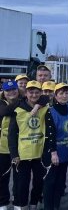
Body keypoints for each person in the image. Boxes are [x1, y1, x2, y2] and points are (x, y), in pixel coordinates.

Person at [8, 80, 57, 210]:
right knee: (22, 184)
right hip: (22, 154)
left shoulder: (45, 108)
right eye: (31, 92)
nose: (34, 95)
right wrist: (14, 154)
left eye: (37, 92)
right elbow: (12, 135)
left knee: (38, 182)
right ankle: (22, 206)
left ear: (40, 93)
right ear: (26, 93)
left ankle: (34, 204)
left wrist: (51, 150)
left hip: (39, 153)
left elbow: (51, 130)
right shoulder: (17, 110)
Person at [43, 83, 68, 210]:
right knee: (50, 182)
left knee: (60, 182)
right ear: (55, 96)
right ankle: (48, 207)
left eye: (66, 93)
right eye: (61, 93)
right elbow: (50, 134)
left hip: (66, 152)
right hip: (53, 153)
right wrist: (53, 153)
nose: (64, 96)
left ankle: (56, 206)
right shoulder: (50, 111)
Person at [0, 80, 20, 210]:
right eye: (8, 90)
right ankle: (3, 203)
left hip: (20, 148)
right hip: (2, 148)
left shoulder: (25, 101)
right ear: (3, 93)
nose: (11, 92)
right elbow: (4, 112)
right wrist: (19, 102)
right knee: (3, 178)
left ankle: (18, 202)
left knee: (19, 179)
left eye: (14, 89)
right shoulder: (2, 104)